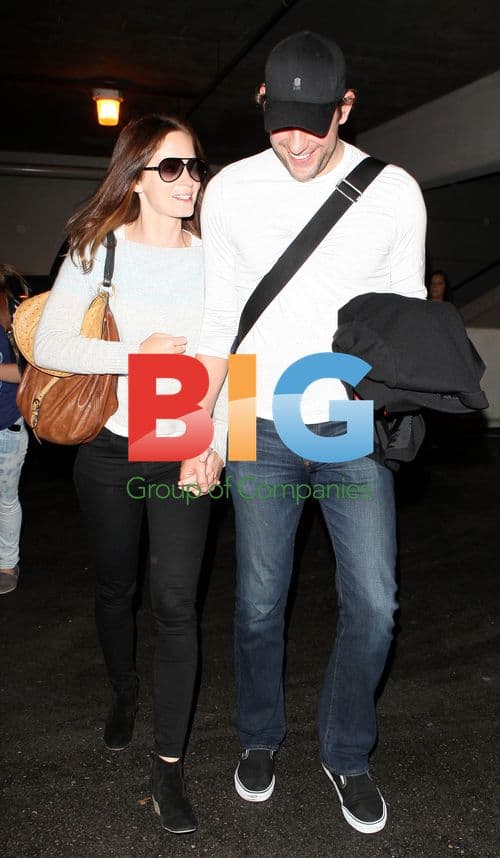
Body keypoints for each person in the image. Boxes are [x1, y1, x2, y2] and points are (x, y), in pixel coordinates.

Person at [180, 31, 427, 835]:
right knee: (258, 599)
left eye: (312, 126)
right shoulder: (230, 191)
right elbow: (218, 319)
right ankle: (259, 736)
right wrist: (196, 429)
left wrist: (398, 394)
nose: (294, 142)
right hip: (255, 407)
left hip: (346, 414)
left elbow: (403, 321)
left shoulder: (393, 193)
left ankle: (346, 750)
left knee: (376, 604)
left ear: (345, 108)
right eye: (279, 124)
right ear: (261, 105)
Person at [33, 114, 225, 834]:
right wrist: (137, 356)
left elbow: (229, 354)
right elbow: (52, 344)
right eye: (171, 167)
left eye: (194, 166)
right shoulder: (98, 248)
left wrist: (214, 441)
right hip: (112, 447)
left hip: (183, 440)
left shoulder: (216, 257)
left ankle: (168, 766)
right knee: (118, 587)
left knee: (176, 603)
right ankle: (122, 689)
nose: (188, 180)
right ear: (136, 177)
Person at [0, 264, 29, 594]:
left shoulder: (14, 312)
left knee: (5, 500)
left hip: (6, 426)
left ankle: (6, 564)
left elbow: (29, 372)